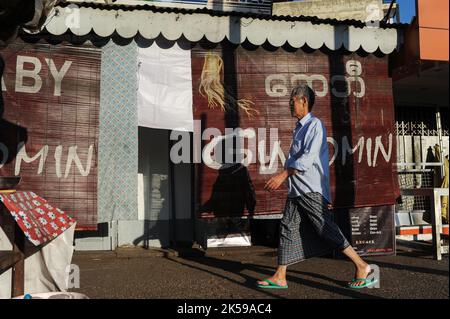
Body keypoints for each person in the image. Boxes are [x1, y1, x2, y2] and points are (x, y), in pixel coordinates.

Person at [257, 84, 376, 289]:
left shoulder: (315, 125)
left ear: (304, 101)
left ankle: (362, 265)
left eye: (292, 100)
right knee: (287, 227)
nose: (289, 104)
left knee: (326, 229)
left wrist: (283, 175)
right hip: (297, 190)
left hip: (310, 189)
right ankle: (280, 275)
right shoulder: (299, 127)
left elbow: (306, 159)